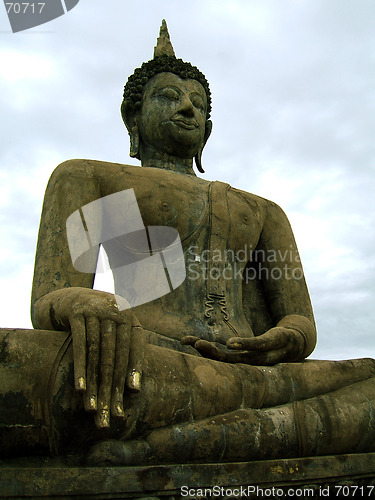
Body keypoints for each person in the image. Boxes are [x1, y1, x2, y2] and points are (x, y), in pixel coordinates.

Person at [3, 21, 375, 464]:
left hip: (256, 373)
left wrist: (282, 339)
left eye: (197, 102)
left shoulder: (261, 210)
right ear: (132, 117)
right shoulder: (91, 177)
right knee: (22, 364)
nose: (186, 107)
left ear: (209, 128)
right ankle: (240, 430)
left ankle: (157, 445)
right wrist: (85, 303)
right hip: (149, 364)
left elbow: (300, 320)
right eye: (168, 96)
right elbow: (50, 297)